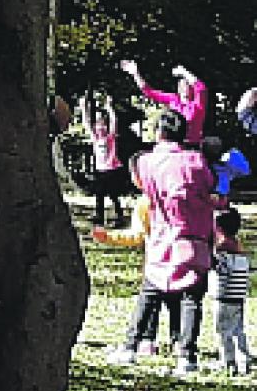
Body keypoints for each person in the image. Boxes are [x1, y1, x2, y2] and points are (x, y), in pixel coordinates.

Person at [105, 110, 216, 375]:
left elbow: (143, 186)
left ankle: (130, 346)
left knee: (150, 292)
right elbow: (209, 186)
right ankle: (187, 355)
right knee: (192, 298)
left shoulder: (148, 162)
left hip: (163, 236)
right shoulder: (197, 160)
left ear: (160, 133)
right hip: (195, 236)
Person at [124, 59, 208, 147]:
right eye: (181, 85)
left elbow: (201, 88)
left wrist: (184, 72)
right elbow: (149, 92)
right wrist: (135, 74)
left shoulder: (197, 104)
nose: (184, 88)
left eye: (187, 85)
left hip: (192, 146)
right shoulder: (173, 99)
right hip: (174, 145)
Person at [80, 92, 133, 230]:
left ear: (105, 125)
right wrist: (84, 107)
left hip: (112, 170)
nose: (100, 128)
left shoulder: (110, 137)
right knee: (99, 195)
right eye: (97, 124)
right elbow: (86, 122)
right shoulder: (95, 138)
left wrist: (109, 107)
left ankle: (119, 217)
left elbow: (114, 121)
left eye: (102, 124)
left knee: (113, 195)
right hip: (100, 170)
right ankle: (99, 217)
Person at [212, 209, 250, 375]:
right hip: (239, 296)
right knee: (237, 329)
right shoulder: (239, 248)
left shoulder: (222, 249)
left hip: (225, 297)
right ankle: (244, 360)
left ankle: (228, 362)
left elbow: (221, 271)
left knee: (223, 331)